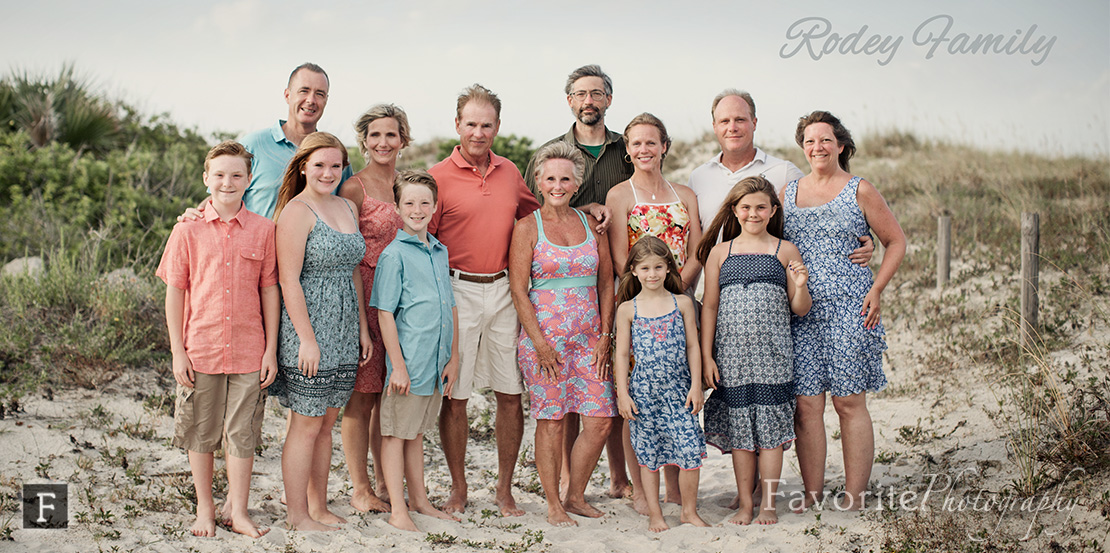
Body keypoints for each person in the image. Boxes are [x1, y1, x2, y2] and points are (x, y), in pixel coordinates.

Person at [783, 111, 906, 511]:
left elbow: (896, 242)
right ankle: (813, 493)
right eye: (810, 141)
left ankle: (854, 496)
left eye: (825, 140)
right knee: (807, 405)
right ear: (803, 147)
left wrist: (877, 287)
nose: (817, 148)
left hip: (851, 309)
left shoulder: (859, 190)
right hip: (801, 313)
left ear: (841, 145)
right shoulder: (787, 192)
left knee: (849, 402)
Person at [428, 84, 540, 517]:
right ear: (457, 125)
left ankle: (505, 490)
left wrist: (588, 212)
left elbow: (538, 215)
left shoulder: (510, 171)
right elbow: (425, 239)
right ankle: (458, 489)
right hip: (457, 291)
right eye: (470, 123)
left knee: (510, 393)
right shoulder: (438, 177)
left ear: (497, 126)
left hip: (506, 291)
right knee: (455, 395)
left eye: (486, 124)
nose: (478, 132)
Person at [156, 141, 279, 539]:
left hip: (249, 349)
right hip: (201, 348)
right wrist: (177, 351)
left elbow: (269, 291)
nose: (228, 182)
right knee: (202, 432)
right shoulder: (186, 229)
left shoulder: (264, 230)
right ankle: (205, 509)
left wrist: (271, 350)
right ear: (206, 178)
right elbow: (175, 291)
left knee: (241, 432)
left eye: (237, 175)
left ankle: (238, 511)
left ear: (249, 179)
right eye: (220, 174)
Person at [269, 132, 373, 531]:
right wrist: (307, 339)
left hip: (346, 327)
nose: (328, 172)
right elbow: (289, 280)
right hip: (308, 329)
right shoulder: (297, 211)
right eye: (319, 165)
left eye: (335, 165)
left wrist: (363, 327)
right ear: (303, 167)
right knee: (306, 422)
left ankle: (319, 507)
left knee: (328, 422)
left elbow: (353, 271)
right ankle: (297, 515)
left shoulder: (347, 205)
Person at [509, 143, 615, 526]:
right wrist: (538, 343)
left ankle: (575, 494)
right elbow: (519, 289)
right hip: (545, 342)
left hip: (590, 339)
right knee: (551, 420)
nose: (557, 185)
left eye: (565, 178)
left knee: (601, 419)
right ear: (538, 181)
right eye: (550, 177)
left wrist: (606, 334)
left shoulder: (592, 225)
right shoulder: (527, 228)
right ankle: (554, 503)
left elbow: (606, 283)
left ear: (576, 184)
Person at [696, 176, 812, 525]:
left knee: (771, 434)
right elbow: (710, 307)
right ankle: (746, 504)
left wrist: (802, 286)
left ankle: (768, 506)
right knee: (742, 436)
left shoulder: (784, 250)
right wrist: (706, 356)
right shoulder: (721, 252)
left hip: (774, 358)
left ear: (773, 210)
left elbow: (800, 308)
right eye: (745, 207)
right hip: (731, 358)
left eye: (761, 207)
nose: (753, 213)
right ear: (735, 210)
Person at [604, 112, 702, 512]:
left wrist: (678, 286)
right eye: (636, 143)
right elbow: (617, 258)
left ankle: (677, 492)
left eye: (651, 142)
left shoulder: (685, 194)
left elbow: (697, 250)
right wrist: (648, 288)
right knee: (641, 400)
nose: (644, 149)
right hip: (638, 302)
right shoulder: (619, 194)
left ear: (664, 146)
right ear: (627, 151)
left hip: (679, 299)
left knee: (677, 394)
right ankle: (644, 493)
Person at [370, 170, 461, 532]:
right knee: (394, 435)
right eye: (409, 202)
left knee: (416, 432)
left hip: (435, 362)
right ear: (397, 207)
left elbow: (450, 306)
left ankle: (420, 499)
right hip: (408, 362)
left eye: (425, 202)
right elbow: (385, 313)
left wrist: (453, 357)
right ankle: (397, 508)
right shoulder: (394, 255)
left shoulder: (440, 251)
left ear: (435, 206)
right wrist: (398, 367)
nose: (417, 209)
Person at [337, 104, 409, 514]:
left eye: (391, 135)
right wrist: (360, 320)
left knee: (390, 395)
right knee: (363, 395)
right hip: (366, 297)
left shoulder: (410, 183)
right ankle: (360, 487)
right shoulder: (353, 189)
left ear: (403, 140)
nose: (383, 142)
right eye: (375, 135)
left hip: (404, 303)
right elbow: (346, 253)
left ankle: (386, 481)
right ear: (364, 140)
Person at [613, 236, 708, 532]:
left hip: (679, 392)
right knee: (649, 456)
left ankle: (688, 511)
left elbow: (693, 346)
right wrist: (623, 394)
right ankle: (656, 514)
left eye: (657, 267)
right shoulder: (628, 308)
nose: (651, 274)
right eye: (644, 268)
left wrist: (695, 385)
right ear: (634, 271)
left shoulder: (682, 303)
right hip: (644, 394)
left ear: (668, 268)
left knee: (690, 451)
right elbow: (622, 355)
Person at [523, 64, 632, 233]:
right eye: (581, 94)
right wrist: (588, 209)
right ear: (570, 101)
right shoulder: (547, 156)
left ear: (608, 99)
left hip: (623, 253)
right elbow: (532, 217)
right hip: (567, 254)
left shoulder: (630, 150)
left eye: (596, 94)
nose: (588, 101)